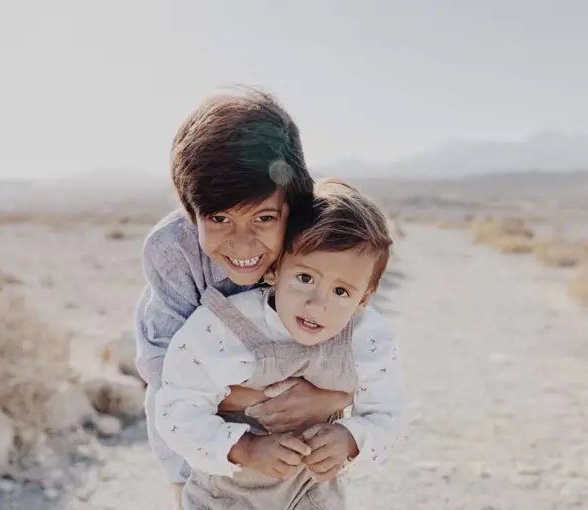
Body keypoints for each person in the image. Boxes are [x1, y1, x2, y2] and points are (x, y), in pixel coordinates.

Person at [135, 91, 354, 509]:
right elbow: (162, 367)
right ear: (190, 210)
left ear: (292, 204)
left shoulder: (318, 238)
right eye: (218, 218)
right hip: (201, 446)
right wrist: (265, 402)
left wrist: (333, 398)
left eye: (264, 217)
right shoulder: (173, 250)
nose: (241, 242)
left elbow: (360, 344)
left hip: (303, 446)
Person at [155, 178, 405, 509]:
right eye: (305, 278)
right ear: (274, 270)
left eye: (341, 291)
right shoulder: (225, 326)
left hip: (312, 494)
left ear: (363, 299)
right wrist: (245, 448)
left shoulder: (366, 338)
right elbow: (176, 409)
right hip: (225, 495)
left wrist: (350, 439)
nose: (318, 305)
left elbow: (389, 414)